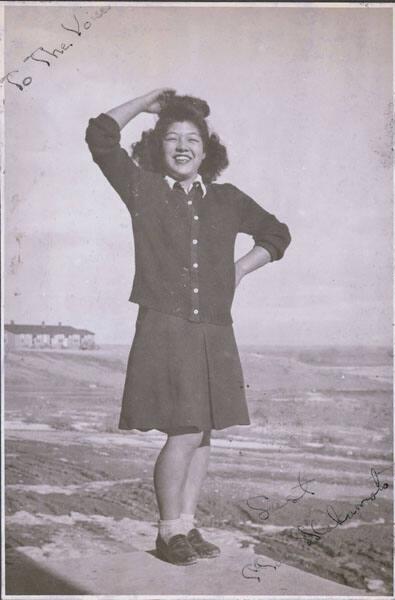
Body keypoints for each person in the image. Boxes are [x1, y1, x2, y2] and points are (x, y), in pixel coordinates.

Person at [85, 89, 291, 566]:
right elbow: (100, 135)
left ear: (207, 149)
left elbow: (277, 233)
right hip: (165, 327)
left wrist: (240, 268)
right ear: (158, 147)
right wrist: (151, 100)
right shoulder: (143, 189)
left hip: (215, 330)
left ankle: (186, 525)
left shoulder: (228, 199)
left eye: (192, 139)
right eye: (172, 139)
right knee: (184, 429)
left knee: (204, 433)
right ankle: (166, 532)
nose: (182, 146)